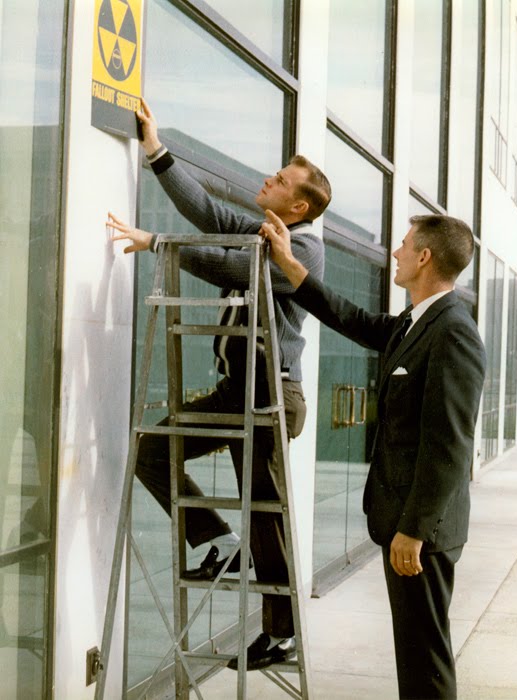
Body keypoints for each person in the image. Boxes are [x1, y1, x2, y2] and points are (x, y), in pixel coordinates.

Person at [107, 99, 332, 671]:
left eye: (280, 179)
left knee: (267, 517)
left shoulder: (302, 249)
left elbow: (235, 269)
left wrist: (157, 243)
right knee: (152, 451)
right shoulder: (263, 231)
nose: (268, 179)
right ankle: (218, 541)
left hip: (272, 394)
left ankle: (281, 635)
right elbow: (206, 210)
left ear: (299, 205)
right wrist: (155, 148)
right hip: (240, 393)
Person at [260, 209, 486, 699]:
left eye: (404, 244)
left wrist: (414, 530)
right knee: (416, 655)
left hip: (421, 533)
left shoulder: (452, 331)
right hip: (405, 523)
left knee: (425, 660)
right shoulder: (416, 321)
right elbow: (353, 319)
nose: (396, 252)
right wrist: (291, 266)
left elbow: (448, 447)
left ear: (425, 257)